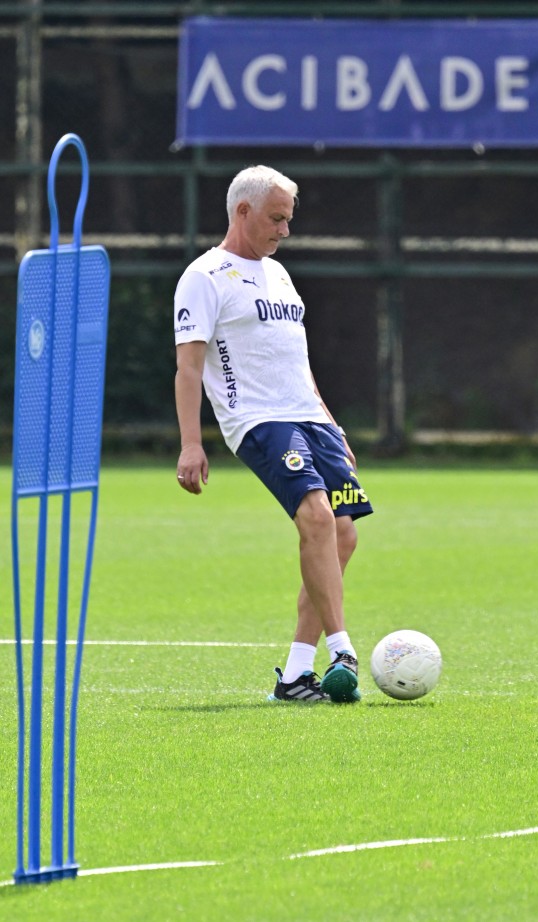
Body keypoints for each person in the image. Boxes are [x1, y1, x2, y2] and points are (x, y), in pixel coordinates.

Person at [173, 165, 373, 703]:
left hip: (310, 416)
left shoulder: (279, 274)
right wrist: (192, 442)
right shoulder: (205, 276)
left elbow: (296, 360)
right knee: (315, 514)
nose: (285, 230)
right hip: (258, 420)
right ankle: (344, 650)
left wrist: (331, 421)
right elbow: (189, 368)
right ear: (243, 212)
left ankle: (294, 675)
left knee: (344, 533)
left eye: (289, 219)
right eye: (277, 219)